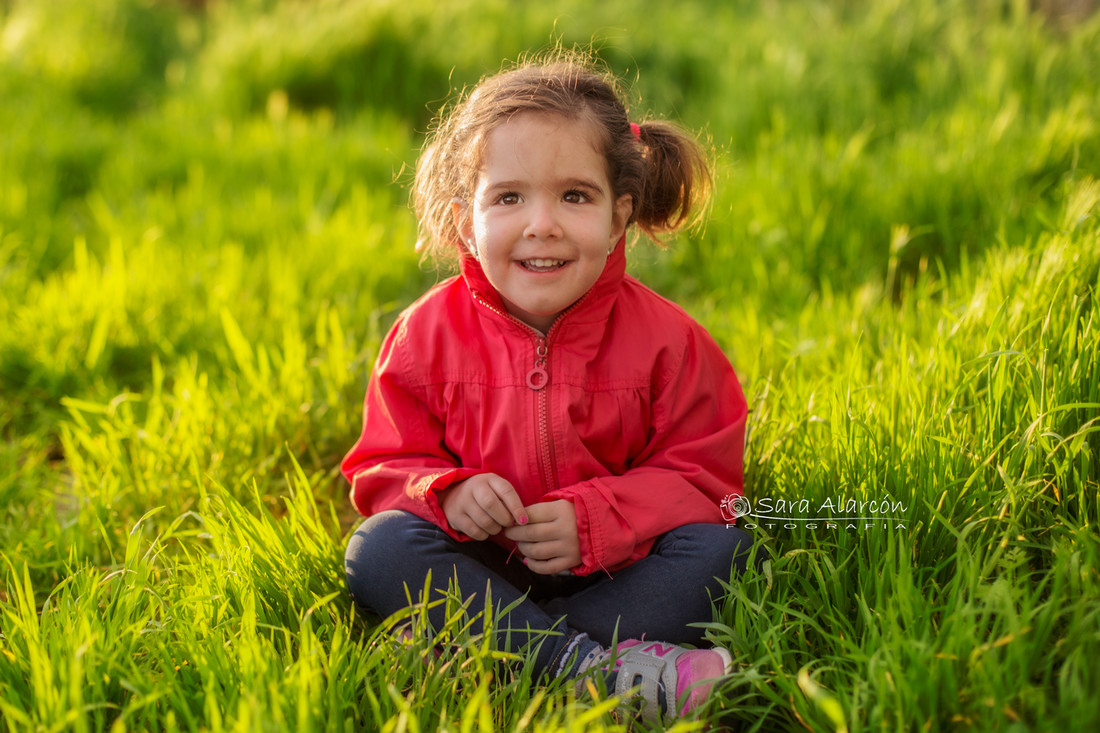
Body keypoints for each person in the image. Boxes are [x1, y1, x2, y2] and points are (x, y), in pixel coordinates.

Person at [342, 53, 755, 724]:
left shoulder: (669, 342)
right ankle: (594, 671)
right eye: (508, 197)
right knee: (379, 546)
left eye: (574, 195)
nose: (542, 224)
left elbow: (706, 481)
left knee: (724, 553)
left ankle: (485, 655)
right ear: (463, 221)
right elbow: (383, 470)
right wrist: (448, 493)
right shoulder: (424, 337)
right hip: (481, 572)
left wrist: (598, 520)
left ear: (620, 214)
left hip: (618, 570)